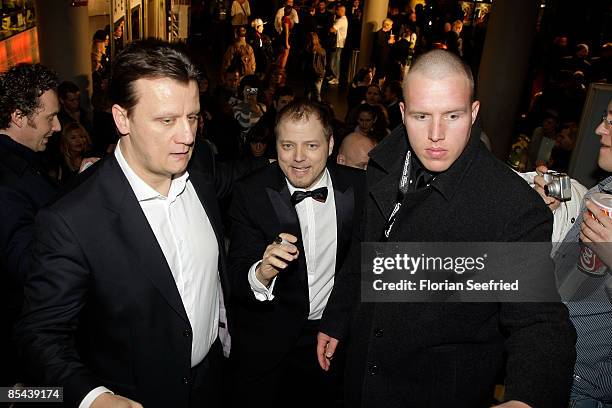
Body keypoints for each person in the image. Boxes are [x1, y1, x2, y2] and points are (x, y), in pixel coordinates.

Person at [317, 49, 576, 408]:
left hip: (435, 390)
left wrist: (526, 398)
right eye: (422, 116)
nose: (436, 135)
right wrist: (337, 318)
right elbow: (363, 250)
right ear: (404, 113)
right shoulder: (384, 165)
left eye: (452, 116)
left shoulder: (510, 206)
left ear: (473, 113)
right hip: (362, 370)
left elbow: (540, 322)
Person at [15, 39, 230, 408]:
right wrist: (93, 398)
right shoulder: (71, 219)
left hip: (212, 383)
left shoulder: (202, 171)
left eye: (192, 117)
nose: (188, 135)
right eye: (166, 120)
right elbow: (41, 335)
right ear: (121, 118)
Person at [227, 99, 366, 407]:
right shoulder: (250, 193)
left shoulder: (360, 188)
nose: (299, 158)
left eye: (312, 146)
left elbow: (360, 265)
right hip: (265, 344)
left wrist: (339, 322)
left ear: (330, 145)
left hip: (329, 338)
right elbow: (235, 274)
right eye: (288, 145)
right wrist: (261, 272)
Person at [533, 99, 612, 408]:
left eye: (610, 121)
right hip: (554, 365)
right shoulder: (601, 192)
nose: (598, 129)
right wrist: (547, 215)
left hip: (587, 390)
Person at [0, 63, 60, 387]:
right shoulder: (6, 182)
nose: (58, 126)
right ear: (19, 117)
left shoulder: (25, 163)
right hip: (23, 369)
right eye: (50, 117)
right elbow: (28, 263)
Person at [327, 5, 347, 85]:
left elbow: (332, 29)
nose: (336, 12)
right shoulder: (341, 19)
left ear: (341, 11)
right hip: (338, 43)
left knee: (335, 61)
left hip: (338, 43)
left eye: (337, 10)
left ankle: (336, 78)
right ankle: (333, 75)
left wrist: (331, 29)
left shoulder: (341, 20)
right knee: (333, 60)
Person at [304, 32, 327, 102]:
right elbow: (325, 63)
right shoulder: (322, 50)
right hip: (318, 74)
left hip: (311, 73)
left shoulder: (307, 51)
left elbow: (307, 63)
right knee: (317, 94)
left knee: (309, 93)